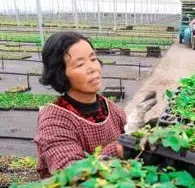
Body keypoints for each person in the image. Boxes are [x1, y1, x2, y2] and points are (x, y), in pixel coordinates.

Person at [34, 32, 127, 178]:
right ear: (61, 73)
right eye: (80, 64)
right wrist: (119, 150)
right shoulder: (53, 122)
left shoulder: (111, 109)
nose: (92, 68)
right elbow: (72, 176)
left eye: (93, 59)